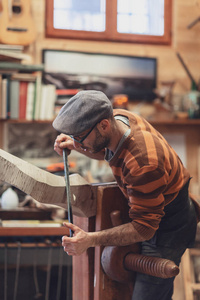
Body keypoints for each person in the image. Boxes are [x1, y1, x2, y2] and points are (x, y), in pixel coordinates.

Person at [53, 90, 199, 300]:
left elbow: (144, 228)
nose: (76, 142)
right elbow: (105, 149)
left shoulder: (143, 163)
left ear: (104, 125)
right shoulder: (118, 120)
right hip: (151, 211)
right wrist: (77, 145)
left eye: (80, 137)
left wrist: (90, 239)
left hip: (169, 226)